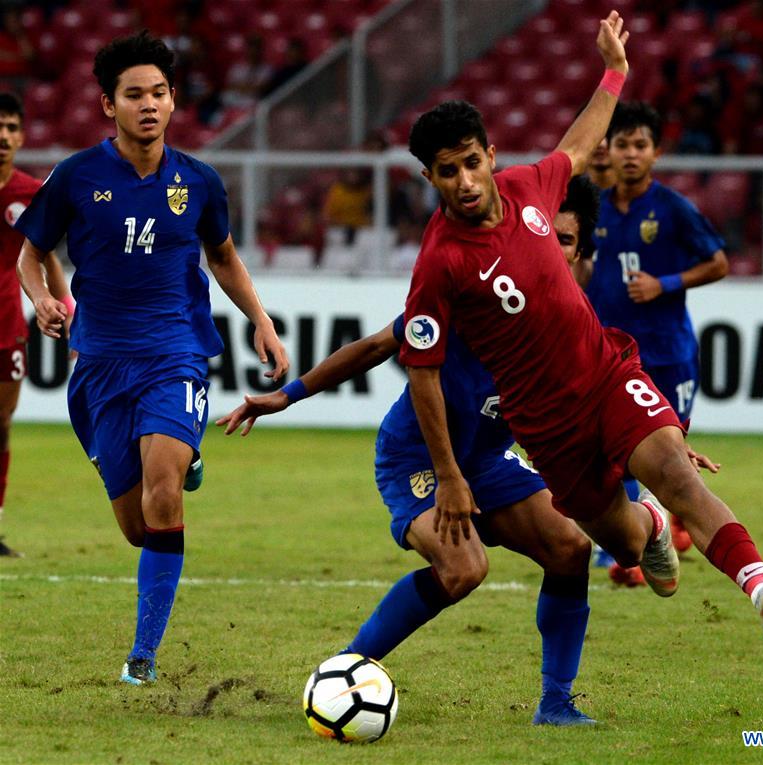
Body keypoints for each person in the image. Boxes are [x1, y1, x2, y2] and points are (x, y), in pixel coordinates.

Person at [398, 11, 763, 644]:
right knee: (624, 539)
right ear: (430, 177)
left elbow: (579, 146)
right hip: (545, 424)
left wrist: (614, 72)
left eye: (472, 162)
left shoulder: (530, 186)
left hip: (606, 375)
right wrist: (450, 476)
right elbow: (420, 371)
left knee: (674, 468)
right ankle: (650, 524)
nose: (465, 181)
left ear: (490, 154)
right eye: (447, 172)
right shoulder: (439, 262)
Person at [217, 179, 607, 726]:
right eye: (552, 237)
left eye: (569, 242)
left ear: (583, 253)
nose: (556, 250)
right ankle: (344, 672)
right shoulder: (479, 296)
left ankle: (556, 704)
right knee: (465, 567)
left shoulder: (570, 327)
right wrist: (289, 394)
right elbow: (379, 345)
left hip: (486, 464)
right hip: (417, 460)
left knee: (570, 550)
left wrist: (660, 452)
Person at [15, 31, 288, 685]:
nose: (149, 105)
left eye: (159, 93)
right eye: (134, 94)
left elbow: (221, 256)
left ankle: (143, 656)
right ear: (109, 105)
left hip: (176, 353)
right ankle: (181, 459)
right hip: (100, 365)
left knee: (164, 495)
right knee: (140, 529)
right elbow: (31, 254)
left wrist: (261, 319)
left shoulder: (198, 181)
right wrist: (43, 299)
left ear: (173, 101)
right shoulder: (78, 177)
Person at [585, 101, 729, 580]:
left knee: (668, 458)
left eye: (640, 145)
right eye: (622, 144)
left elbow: (718, 263)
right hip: (614, 357)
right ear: (611, 151)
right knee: (615, 453)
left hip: (669, 354)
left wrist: (663, 284)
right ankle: (631, 547)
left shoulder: (672, 208)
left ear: (655, 152)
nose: (630, 154)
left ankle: (668, 525)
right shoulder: (596, 208)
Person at [0, 92, 71, 557]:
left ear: (22, 136)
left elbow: (43, 256)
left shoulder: (30, 193)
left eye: (10, 128)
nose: (2, 137)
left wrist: (65, 302)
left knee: (0, 424)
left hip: (7, 324)